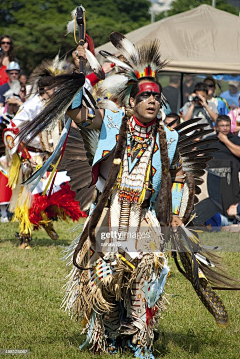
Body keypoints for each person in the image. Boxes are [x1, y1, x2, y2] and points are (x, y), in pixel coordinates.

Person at [19, 33, 235, 357]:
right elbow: (78, 115)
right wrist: (84, 71)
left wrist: (175, 212)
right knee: (105, 278)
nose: (152, 101)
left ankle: (139, 340)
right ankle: (105, 335)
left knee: (149, 269)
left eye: (156, 97)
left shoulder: (168, 138)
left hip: (144, 216)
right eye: (145, 96)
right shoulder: (111, 122)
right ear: (132, 101)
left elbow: (178, 176)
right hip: (111, 210)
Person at [3, 57, 86, 248]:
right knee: (28, 198)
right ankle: (25, 237)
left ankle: (45, 221)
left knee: (53, 194)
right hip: (30, 157)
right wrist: (23, 157)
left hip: (49, 157)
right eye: (54, 88)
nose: (57, 91)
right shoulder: (32, 105)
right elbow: (11, 129)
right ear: (45, 89)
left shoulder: (56, 104)